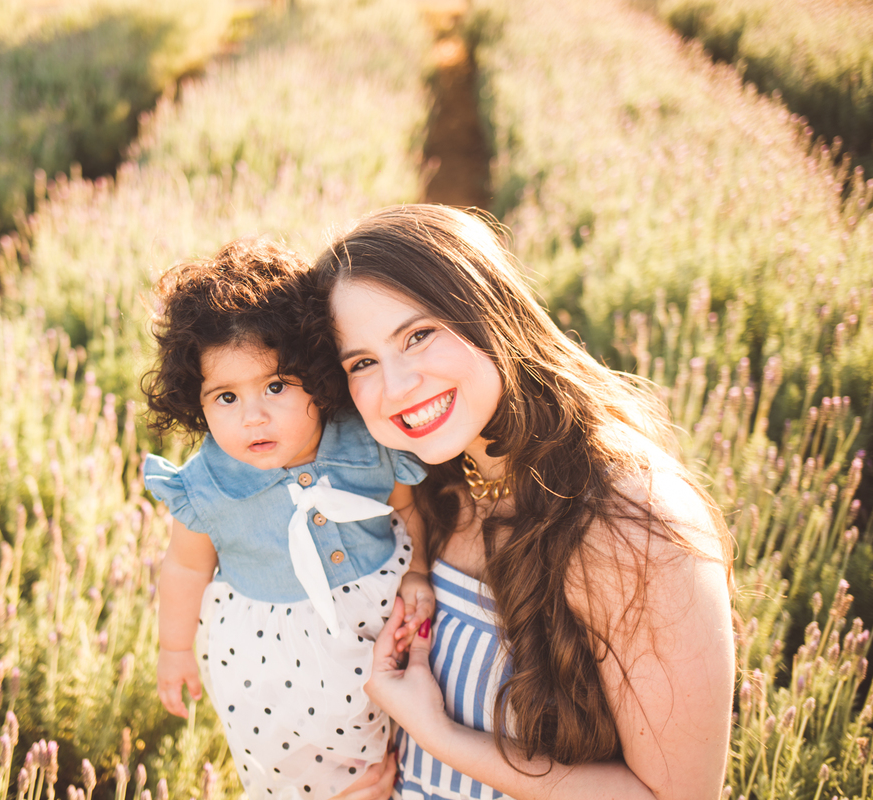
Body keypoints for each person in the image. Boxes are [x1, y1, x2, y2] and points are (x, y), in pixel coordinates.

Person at [307, 205, 735, 799]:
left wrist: (437, 734)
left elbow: (676, 796)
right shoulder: (428, 488)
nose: (398, 386)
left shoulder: (631, 520)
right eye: (362, 363)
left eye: (419, 334)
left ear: (492, 312)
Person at [142, 238, 436, 798]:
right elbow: (184, 569)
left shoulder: (365, 441)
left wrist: (419, 570)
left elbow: (406, 507)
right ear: (196, 401)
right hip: (273, 658)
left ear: (317, 376)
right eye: (225, 397)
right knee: (298, 766)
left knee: (399, 745)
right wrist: (175, 649)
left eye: (276, 386)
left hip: (380, 621)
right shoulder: (208, 485)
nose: (253, 416)